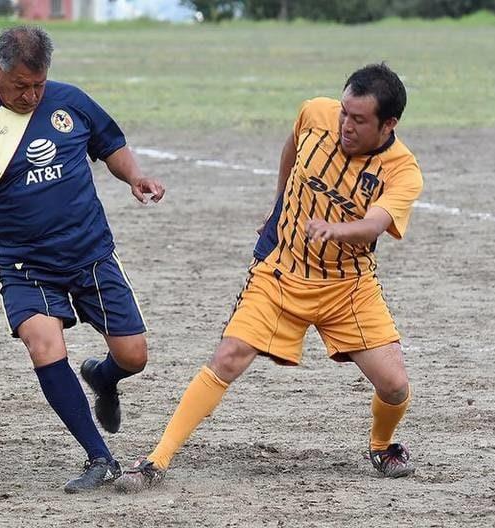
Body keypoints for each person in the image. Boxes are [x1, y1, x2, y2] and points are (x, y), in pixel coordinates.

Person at [114, 63, 423, 492]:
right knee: (229, 356)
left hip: (347, 286)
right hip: (282, 271)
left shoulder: (402, 170)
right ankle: (155, 460)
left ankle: (382, 445)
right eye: (344, 113)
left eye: (359, 120)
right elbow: (292, 147)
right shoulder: (316, 114)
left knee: (394, 385)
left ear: (388, 124)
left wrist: (337, 230)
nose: (345, 125)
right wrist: (279, 201)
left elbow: (374, 224)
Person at [0, 25, 165, 493]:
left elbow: (110, 145)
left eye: (38, 85)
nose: (30, 95)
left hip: (91, 254)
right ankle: (99, 457)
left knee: (134, 356)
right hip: (27, 265)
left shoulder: (70, 101)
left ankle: (103, 377)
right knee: (43, 345)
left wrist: (135, 177)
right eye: (20, 85)